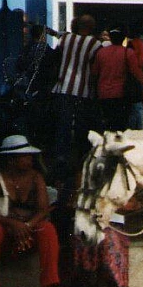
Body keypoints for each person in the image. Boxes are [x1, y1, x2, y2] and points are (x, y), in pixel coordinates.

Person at [0, 135, 60, 287]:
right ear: (11, 160)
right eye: (24, 156)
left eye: (29, 156)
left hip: (29, 230)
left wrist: (26, 226)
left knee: (47, 229)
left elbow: (43, 209)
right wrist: (13, 224)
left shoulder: (36, 177)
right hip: (5, 230)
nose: (29, 159)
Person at [50, 15, 104, 184]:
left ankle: (61, 158)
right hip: (83, 90)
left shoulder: (65, 39)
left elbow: (57, 59)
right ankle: (80, 162)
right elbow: (95, 67)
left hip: (63, 87)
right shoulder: (95, 44)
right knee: (81, 127)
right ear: (92, 27)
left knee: (62, 125)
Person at [93, 29, 143, 132]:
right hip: (122, 94)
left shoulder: (101, 52)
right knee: (121, 123)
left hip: (103, 93)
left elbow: (94, 72)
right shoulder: (128, 53)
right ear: (123, 39)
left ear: (111, 38)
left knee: (108, 122)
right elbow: (136, 72)